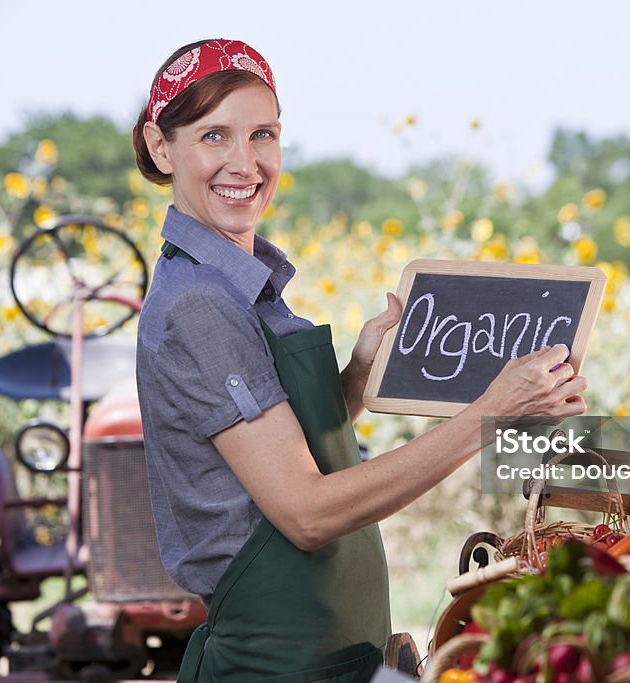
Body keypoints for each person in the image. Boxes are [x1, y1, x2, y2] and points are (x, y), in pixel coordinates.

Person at [133, 38, 588, 683]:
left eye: (262, 134)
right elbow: (307, 512)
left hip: (332, 657)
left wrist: (355, 381)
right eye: (214, 136)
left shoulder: (237, 287)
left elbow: (267, 452)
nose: (245, 162)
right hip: (276, 668)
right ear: (160, 147)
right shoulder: (199, 306)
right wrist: (491, 415)